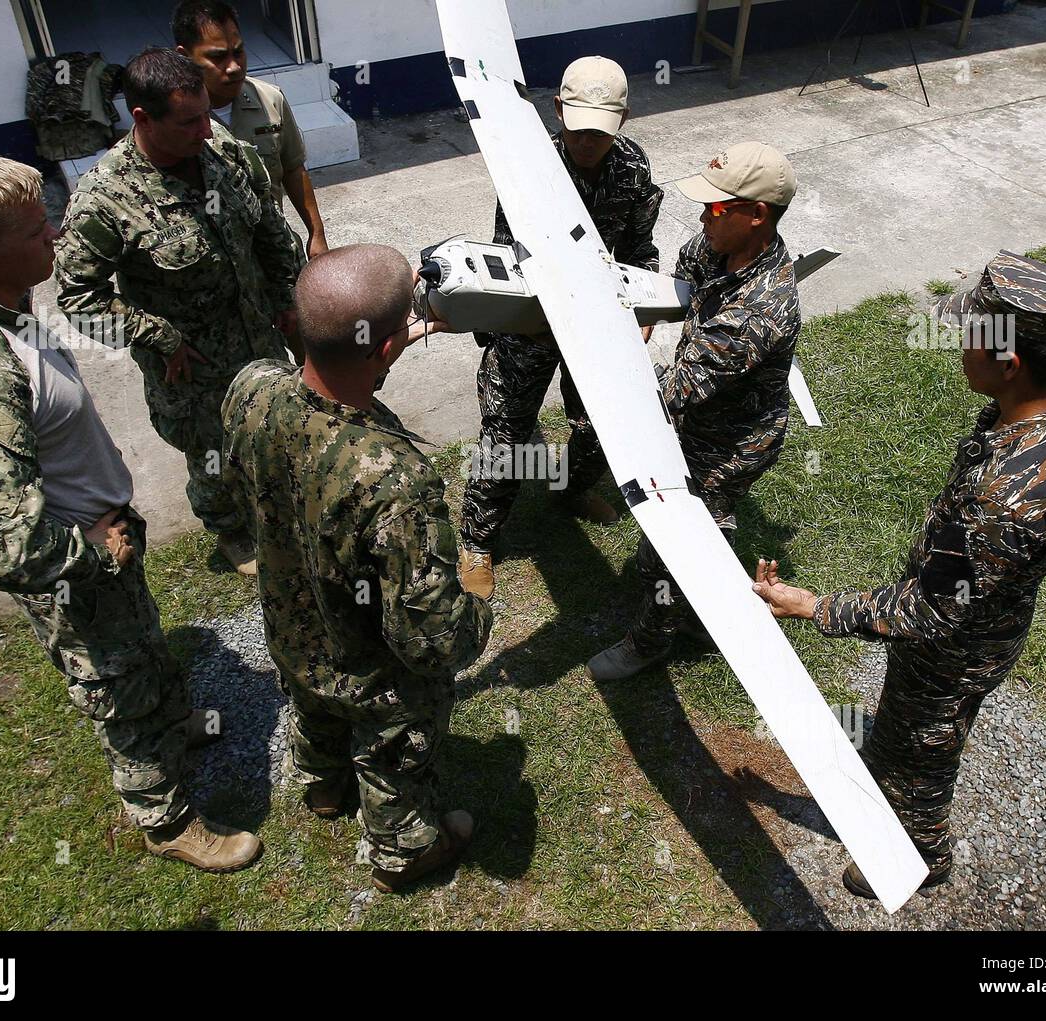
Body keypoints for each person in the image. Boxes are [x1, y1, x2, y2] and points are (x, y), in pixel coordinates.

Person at [0, 148, 259, 872]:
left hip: (100, 534)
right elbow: (8, 546)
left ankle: (172, 725)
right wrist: (98, 551)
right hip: (80, 565)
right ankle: (167, 817)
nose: (56, 238)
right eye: (37, 232)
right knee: (114, 683)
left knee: (143, 649)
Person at [752, 251, 1046, 898]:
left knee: (918, 753)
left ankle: (920, 854)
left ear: (1010, 361)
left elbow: (928, 612)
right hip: (996, 618)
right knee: (912, 737)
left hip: (951, 651)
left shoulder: (1005, 499)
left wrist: (812, 605)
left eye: (972, 336)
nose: (960, 346)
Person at [222, 244, 492, 892]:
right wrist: (477, 602)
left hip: (294, 637)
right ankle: (404, 851)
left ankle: (322, 788)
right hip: (368, 674)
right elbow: (432, 642)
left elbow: (330, 383)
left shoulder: (251, 387)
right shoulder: (393, 481)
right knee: (396, 736)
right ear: (385, 347)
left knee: (314, 711)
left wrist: (397, 336)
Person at [53, 47, 298, 576]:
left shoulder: (226, 157)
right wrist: (156, 335)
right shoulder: (105, 198)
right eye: (189, 122)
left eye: (208, 114)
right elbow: (77, 298)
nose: (206, 131)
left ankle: (281, 512)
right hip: (193, 364)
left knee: (275, 429)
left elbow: (271, 232)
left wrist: (290, 298)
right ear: (142, 118)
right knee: (213, 454)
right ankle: (232, 532)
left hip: (259, 337)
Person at [588, 141, 801, 681]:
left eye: (716, 208)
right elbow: (676, 283)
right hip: (697, 419)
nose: (702, 217)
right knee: (665, 537)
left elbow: (673, 391)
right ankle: (691, 597)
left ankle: (652, 639)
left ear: (757, 216)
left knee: (684, 543)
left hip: (730, 446)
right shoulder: (718, 242)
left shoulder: (761, 308)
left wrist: (595, 361)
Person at [456, 55, 664, 599]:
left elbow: (641, 251)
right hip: (531, 321)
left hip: (596, 317)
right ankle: (477, 539)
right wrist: (504, 324)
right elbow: (508, 255)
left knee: (601, 423)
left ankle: (567, 488)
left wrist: (640, 312)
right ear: (556, 110)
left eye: (601, 129)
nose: (588, 140)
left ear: (624, 118)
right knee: (507, 431)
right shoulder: (529, 168)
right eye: (578, 127)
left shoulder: (634, 171)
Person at [172, 0, 328, 278]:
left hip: (273, 258)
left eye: (239, 52)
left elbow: (293, 167)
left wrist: (316, 234)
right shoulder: (171, 119)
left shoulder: (270, 100)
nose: (233, 67)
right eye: (218, 57)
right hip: (211, 270)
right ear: (185, 57)